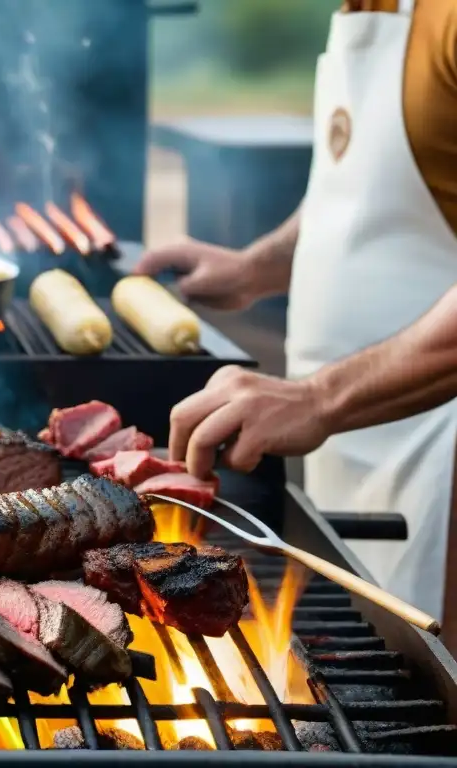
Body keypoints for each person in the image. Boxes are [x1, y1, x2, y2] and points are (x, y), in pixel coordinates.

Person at [136, 0, 457, 627]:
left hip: (439, 436)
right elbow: (357, 187)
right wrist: (256, 267)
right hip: (351, 428)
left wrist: (319, 397)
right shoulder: (365, 10)